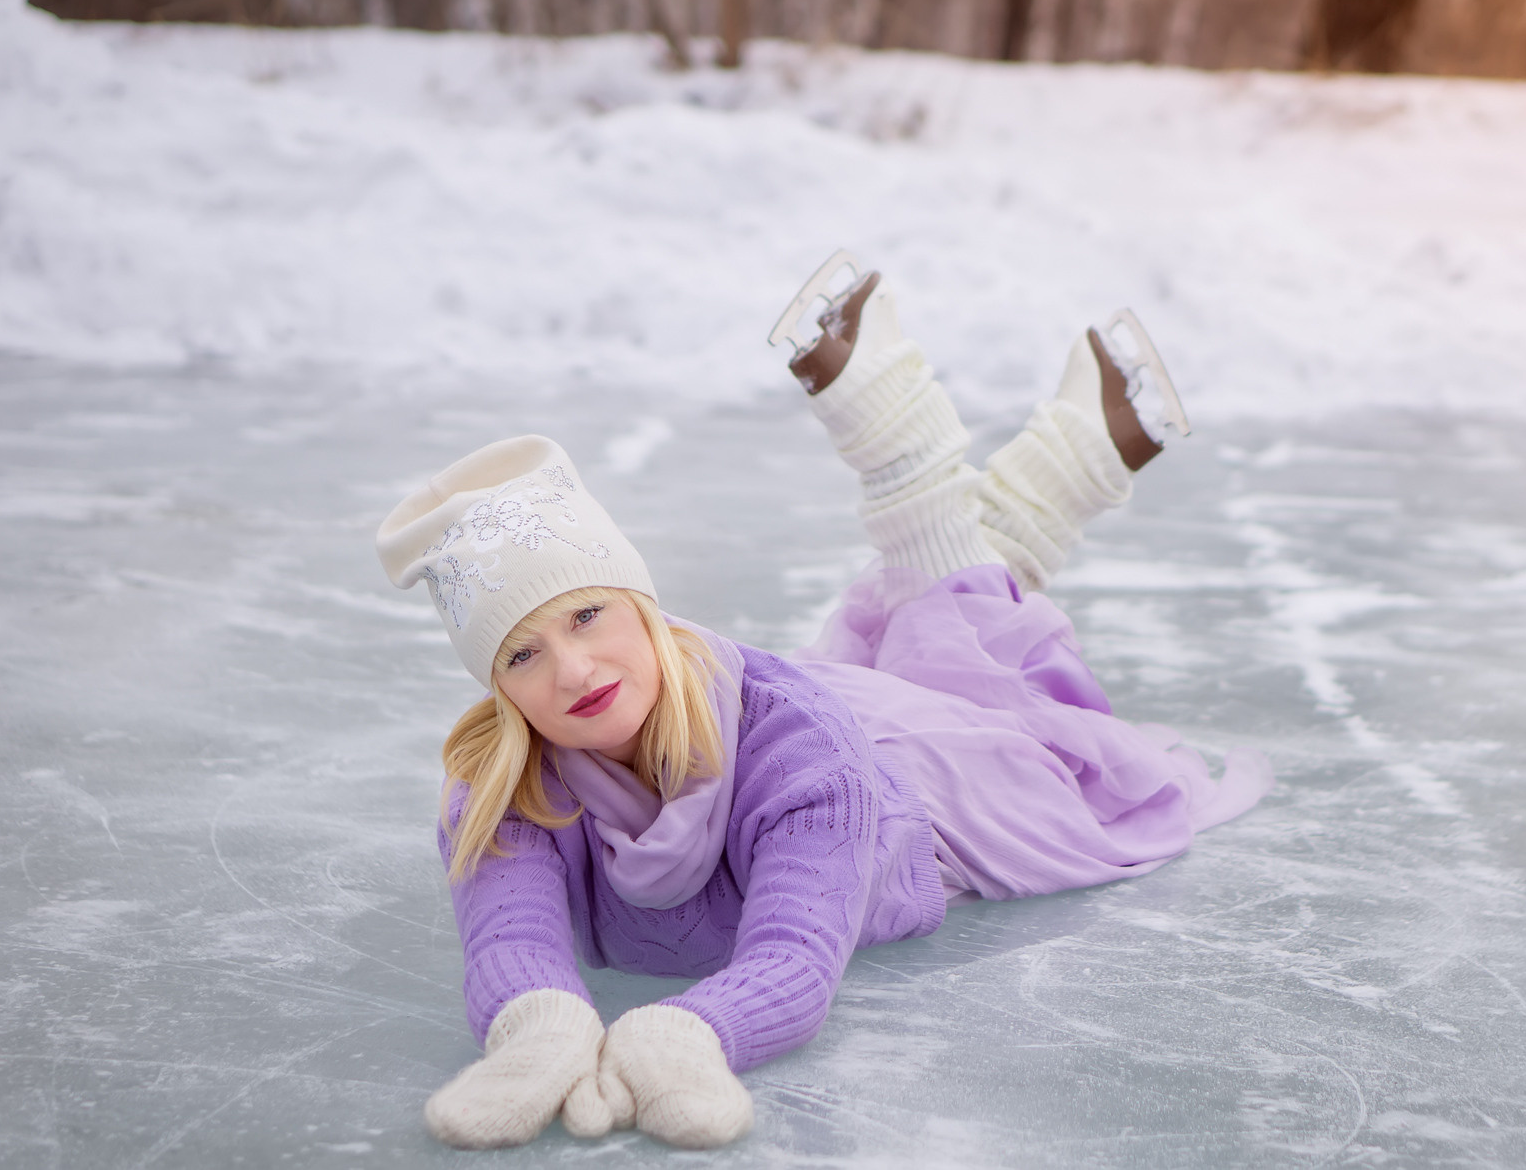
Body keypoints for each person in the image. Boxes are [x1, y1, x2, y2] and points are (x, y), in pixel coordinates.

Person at [375, 253, 1272, 1152]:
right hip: (818, 719)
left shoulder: (805, 755)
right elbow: (510, 939)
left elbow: (794, 958)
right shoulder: (501, 778)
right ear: (498, 684)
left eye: (587, 614)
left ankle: (934, 439)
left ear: (644, 609)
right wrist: (539, 1032)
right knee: (934, 629)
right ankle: (1043, 447)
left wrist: (686, 1034)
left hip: (930, 797)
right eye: (523, 653)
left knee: (971, 667)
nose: (573, 671)